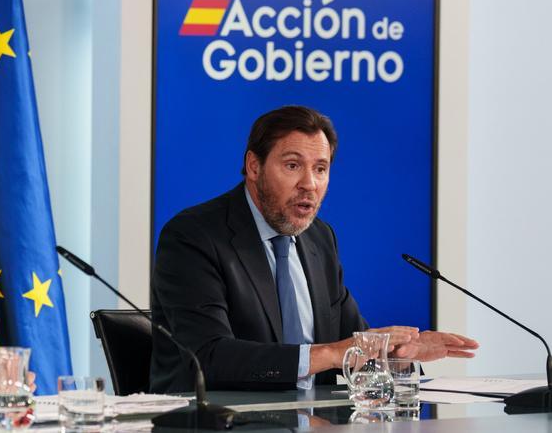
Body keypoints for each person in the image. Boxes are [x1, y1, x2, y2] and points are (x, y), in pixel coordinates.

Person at [150, 105, 478, 392]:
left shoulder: (319, 239)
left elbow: (353, 343)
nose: (309, 184)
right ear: (254, 166)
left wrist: (396, 355)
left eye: (320, 169)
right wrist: (332, 353)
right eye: (293, 166)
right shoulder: (194, 236)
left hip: (314, 421)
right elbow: (208, 357)